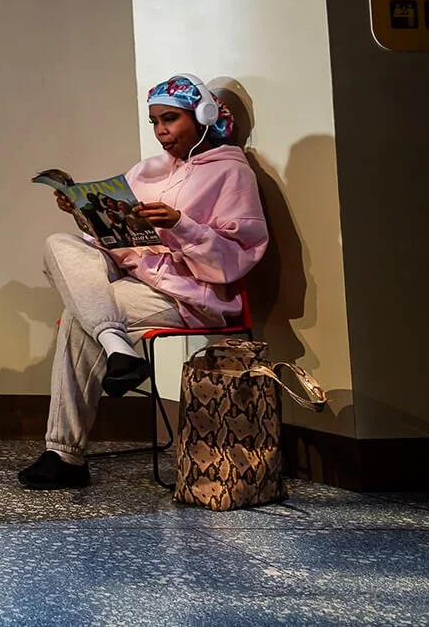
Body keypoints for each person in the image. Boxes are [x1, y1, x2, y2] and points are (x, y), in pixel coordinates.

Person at [18, 73, 266, 491]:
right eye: (155, 121)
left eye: (170, 119)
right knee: (59, 243)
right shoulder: (147, 170)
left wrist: (181, 225)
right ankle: (117, 347)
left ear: (203, 115)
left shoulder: (231, 173)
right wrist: (83, 214)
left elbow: (239, 255)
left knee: (80, 316)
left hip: (185, 292)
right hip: (131, 277)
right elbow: (111, 239)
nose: (161, 131)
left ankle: (64, 454)